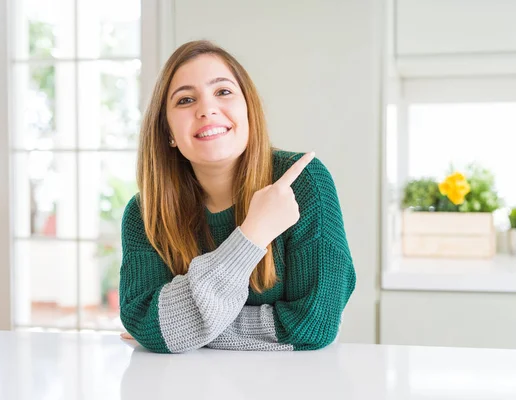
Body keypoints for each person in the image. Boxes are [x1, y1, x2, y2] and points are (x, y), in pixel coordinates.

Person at [119, 40, 356, 353]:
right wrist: (253, 234)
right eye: (186, 99)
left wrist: (186, 329)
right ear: (168, 132)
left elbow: (314, 324)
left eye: (223, 92)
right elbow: (145, 321)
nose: (207, 109)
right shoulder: (145, 212)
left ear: (248, 109)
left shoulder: (300, 182)